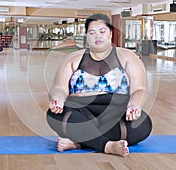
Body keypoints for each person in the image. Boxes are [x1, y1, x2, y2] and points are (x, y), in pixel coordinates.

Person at [46, 13, 152, 157]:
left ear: (110, 33)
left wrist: (134, 105)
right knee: (54, 115)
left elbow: (139, 89)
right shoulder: (73, 58)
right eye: (92, 32)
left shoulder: (128, 57)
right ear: (87, 36)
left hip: (116, 111)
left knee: (142, 124)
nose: (97, 36)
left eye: (102, 31)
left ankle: (79, 143)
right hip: (80, 110)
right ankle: (107, 146)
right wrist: (57, 100)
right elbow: (59, 88)